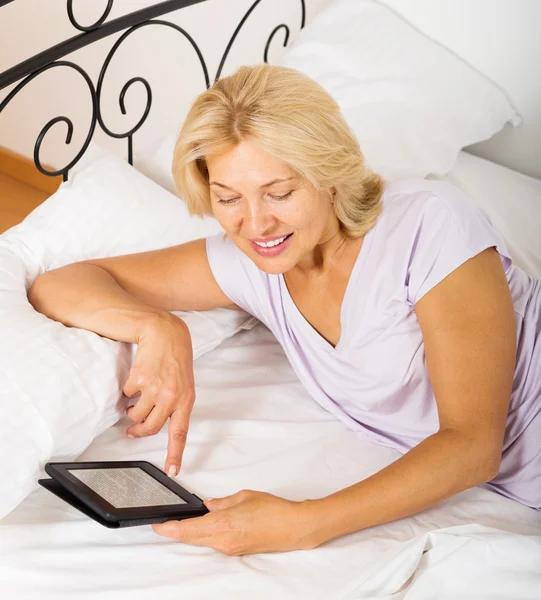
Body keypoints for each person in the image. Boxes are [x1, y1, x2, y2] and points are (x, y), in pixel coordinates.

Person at [28, 64, 540, 556]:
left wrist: (305, 523)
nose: (256, 224)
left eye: (280, 192)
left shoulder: (431, 226)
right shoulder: (252, 265)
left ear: (330, 173)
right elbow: (61, 284)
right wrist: (157, 327)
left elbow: (472, 445)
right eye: (228, 198)